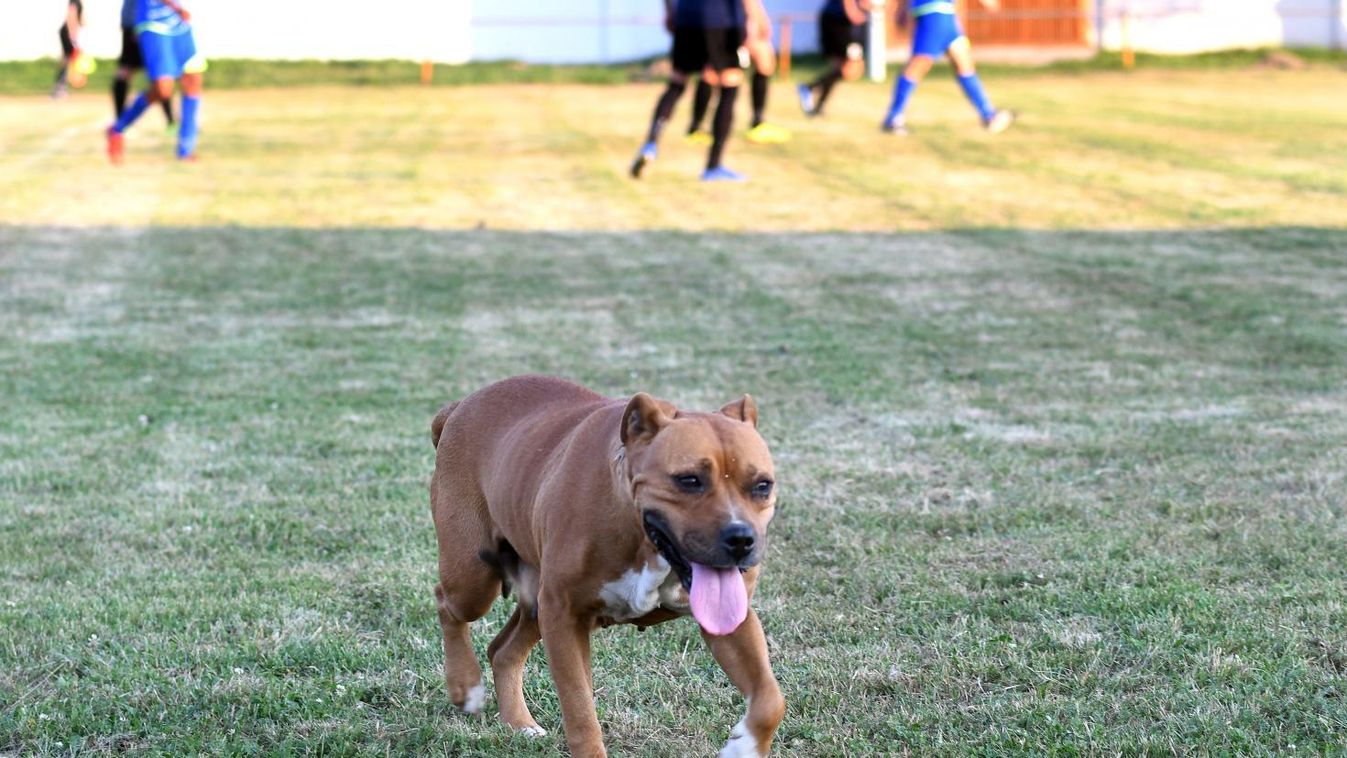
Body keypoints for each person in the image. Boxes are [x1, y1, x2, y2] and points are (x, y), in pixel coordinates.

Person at [631, 0, 753, 182]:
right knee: (730, 85)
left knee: (677, 83)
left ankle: (651, 143)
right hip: (722, 21)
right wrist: (753, 19)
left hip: (686, 16)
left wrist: (671, 11)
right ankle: (714, 165)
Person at [881, 0, 1013, 135]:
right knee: (919, 64)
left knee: (964, 64)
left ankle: (989, 115)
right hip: (934, 11)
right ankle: (893, 117)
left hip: (945, 12)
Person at [107, 0, 205, 163]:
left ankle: (186, 149)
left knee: (193, 80)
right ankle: (117, 129)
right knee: (163, 89)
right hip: (153, 22)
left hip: (178, 21)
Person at [685, 0, 790, 145]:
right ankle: (698, 130)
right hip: (729, 20)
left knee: (762, 63)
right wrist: (755, 20)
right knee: (719, 74)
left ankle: (757, 123)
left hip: (724, 18)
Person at [796, 0, 868, 117]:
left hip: (836, 20)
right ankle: (809, 88)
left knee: (839, 68)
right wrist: (855, 14)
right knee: (851, 68)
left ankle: (819, 106)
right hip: (838, 22)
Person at [112, 0, 175, 127]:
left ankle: (170, 121)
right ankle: (119, 124)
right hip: (142, 24)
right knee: (157, 74)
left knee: (160, 76)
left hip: (149, 24)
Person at [52, 0, 84, 99]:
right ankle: (59, 89)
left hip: (68, 33)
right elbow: (71, 18)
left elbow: (81, 20)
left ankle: (60, 87)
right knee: (67, 60)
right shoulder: (74, 2)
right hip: (67, 33)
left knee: (67, 60)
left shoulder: (78, 2)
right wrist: (72, 36)